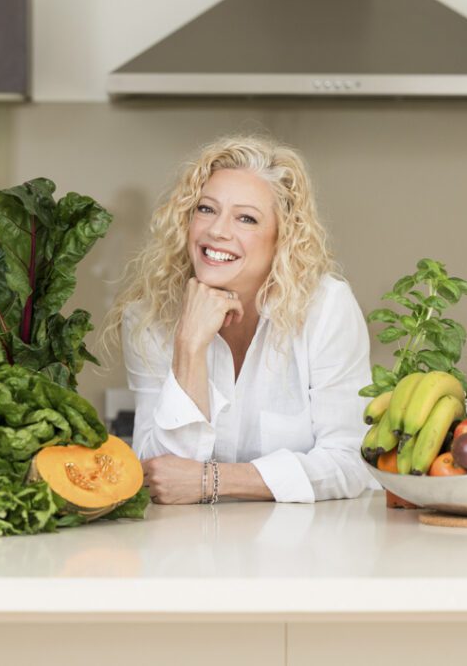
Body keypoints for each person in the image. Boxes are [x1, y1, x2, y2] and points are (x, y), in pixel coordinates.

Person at [104, 135, 375, 504]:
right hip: (188, 547)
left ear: (283, 237)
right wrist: (189, 344)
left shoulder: (325, 307)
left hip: (303, 550)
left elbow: (350, 462)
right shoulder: (149, 317)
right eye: (206, 209)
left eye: (246, 218)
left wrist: (213, 480)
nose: (217, 230)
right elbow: (162, 474)